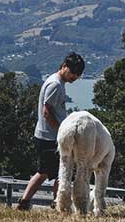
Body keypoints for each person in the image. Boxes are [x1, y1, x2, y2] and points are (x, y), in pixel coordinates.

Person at [16, 52, 85, 210]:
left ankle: (41, 203)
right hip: (49, 137)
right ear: (64, 66)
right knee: (53, 172)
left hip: (47, 135)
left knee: (51, 172)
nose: (74, 77)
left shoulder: (57, 81)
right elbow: (46, 112)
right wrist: (62, 131)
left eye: (77, 74)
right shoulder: (55, 84)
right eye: (73, 72)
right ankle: (50, 204)